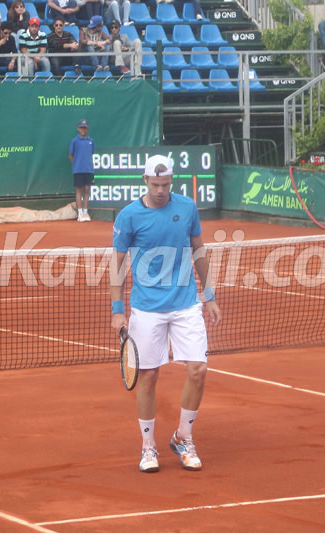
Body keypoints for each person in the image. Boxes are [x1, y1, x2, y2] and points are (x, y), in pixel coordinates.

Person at [110, 154, 222, 474]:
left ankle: (183, 438)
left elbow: (198, 250)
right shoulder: (129, 216)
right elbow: (117, 263)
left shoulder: (187, 208)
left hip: (186, 304)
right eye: (155, 184)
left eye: (166, 184)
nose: (161, 190)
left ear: (172, 181)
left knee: (198, 370)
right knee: (148, 376)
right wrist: (118, 310)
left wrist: (209, 296)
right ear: (145, 180)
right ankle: (148, 446)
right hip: (147, 309)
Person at [68, 119, 94, 222]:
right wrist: (76, 165)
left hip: (89, 170)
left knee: (87, 190)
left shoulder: (91, 141)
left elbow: (91, 154)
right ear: (78, 128)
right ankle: (80, 213)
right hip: (78, 170)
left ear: (87, 129)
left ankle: (85, 212)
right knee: (79, 190)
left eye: (85, 128)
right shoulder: (74, 141)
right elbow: (71, 155)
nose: (83, 129)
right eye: (82, 127)